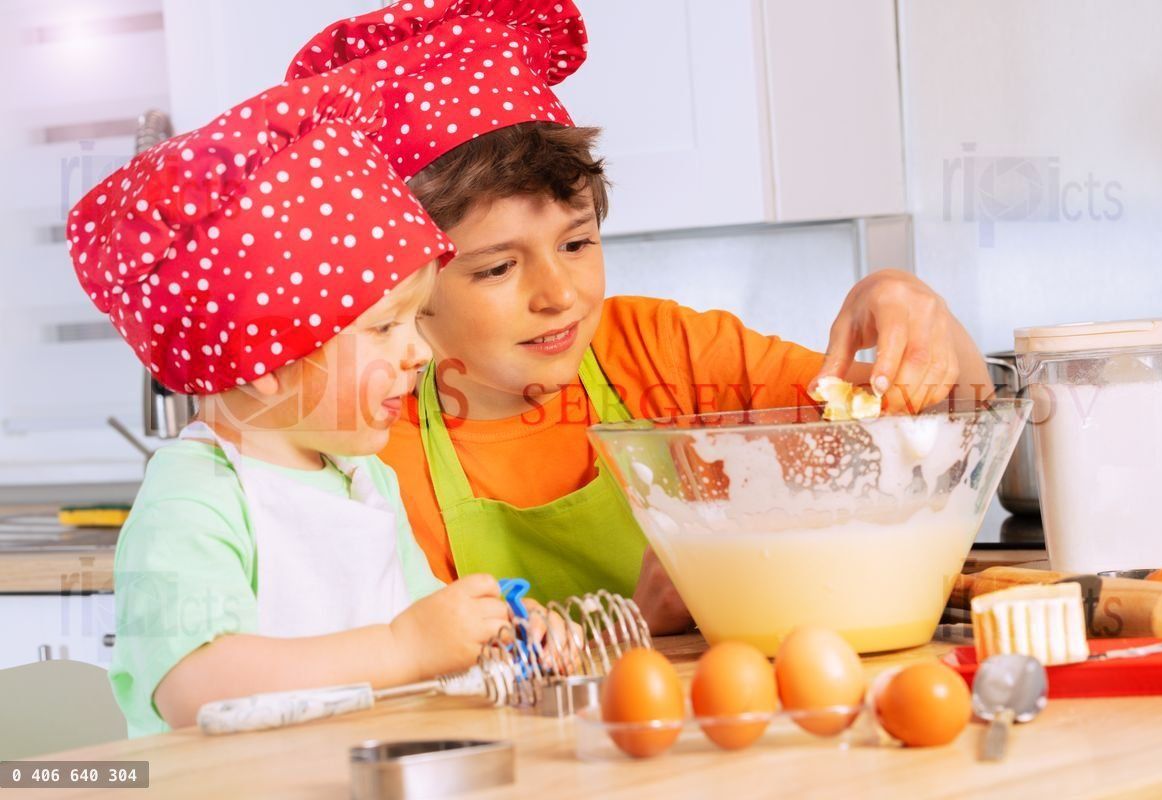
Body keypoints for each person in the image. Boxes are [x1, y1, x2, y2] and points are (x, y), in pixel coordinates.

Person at [289, 0, 991, 632]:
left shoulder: (664, 352)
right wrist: (633, 622)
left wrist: (911, 303)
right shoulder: (377, 448)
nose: (558, 294)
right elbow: (424, 676)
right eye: (498, 268)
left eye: (577, 244)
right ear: (410, 285)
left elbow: (951, 424)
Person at [67, 65, 514, 737]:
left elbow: (427, 637)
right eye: (384, 327)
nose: (420, 352)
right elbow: (196, 687)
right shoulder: (195, 496)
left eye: (416, 320)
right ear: (264, 361)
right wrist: (403, 647)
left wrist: (491, 636)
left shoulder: (367, 480)